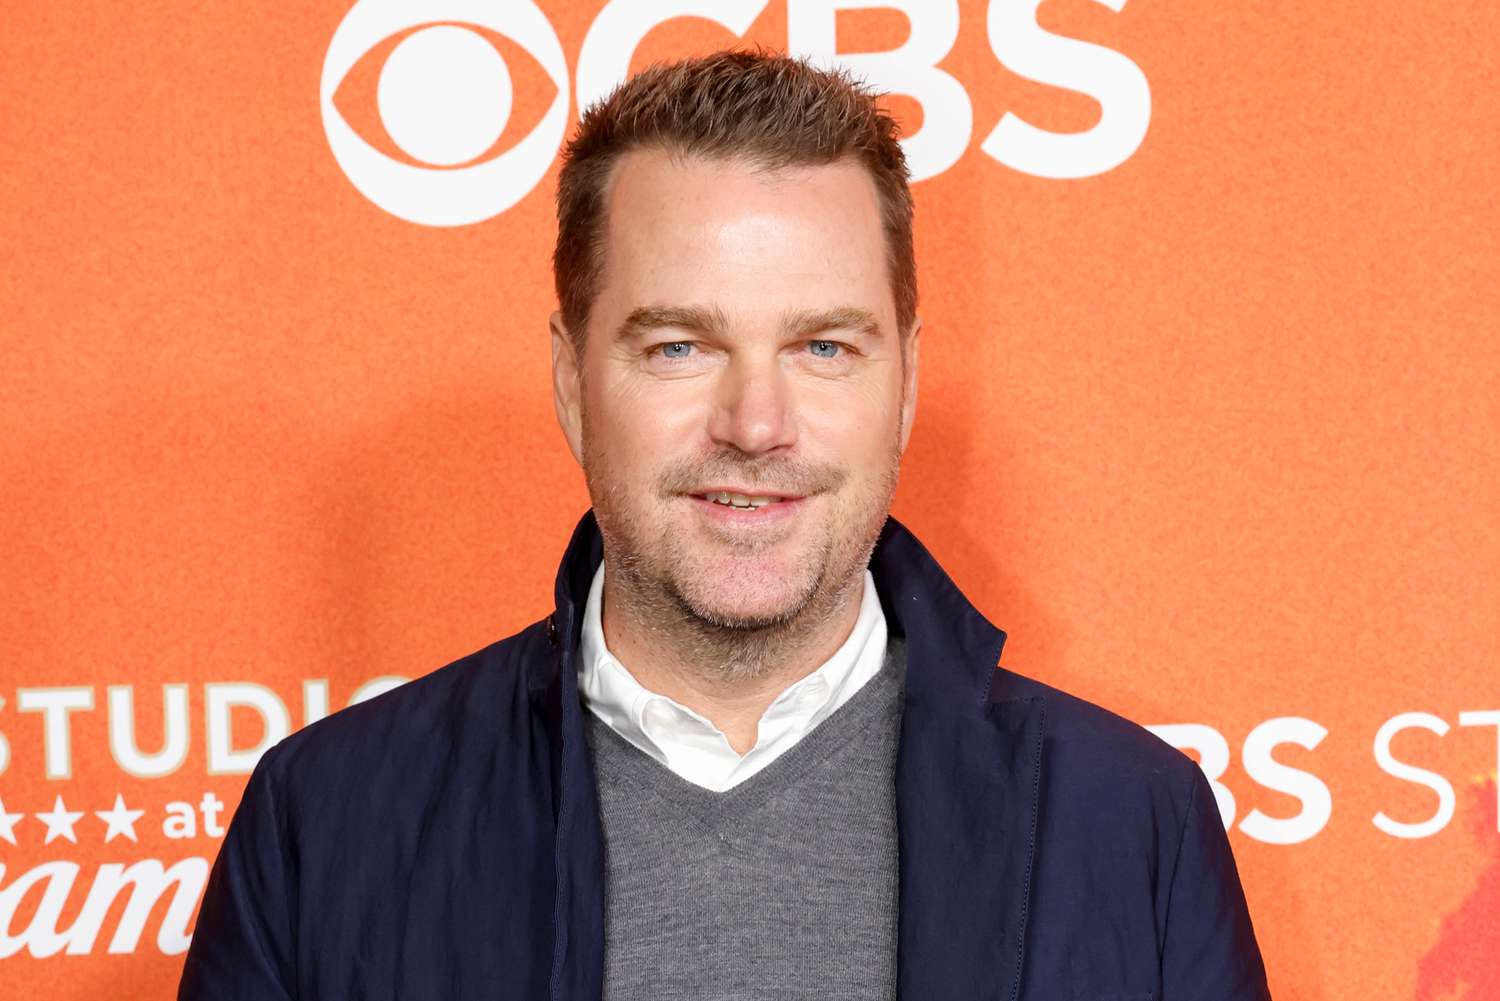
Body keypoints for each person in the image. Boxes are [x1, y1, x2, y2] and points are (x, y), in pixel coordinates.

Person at [178, 51, 1272, 1001]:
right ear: (570, 381)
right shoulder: (325, 823)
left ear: (904, 381)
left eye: (823, 347)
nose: (755, 423)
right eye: (680, 347)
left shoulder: (1132, 823)